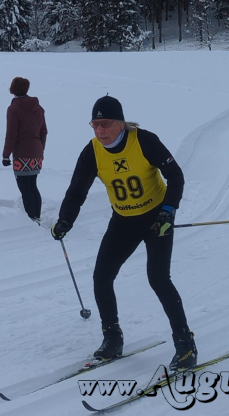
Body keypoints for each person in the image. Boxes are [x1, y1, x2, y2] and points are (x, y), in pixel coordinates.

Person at [50, 95, 196, 372]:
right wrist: (65, 220)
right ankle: (112, 338)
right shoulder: (92, 151)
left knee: (158, 279)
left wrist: (168, 211)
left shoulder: (144, 141)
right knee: (102, 277)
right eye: (94, 125)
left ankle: (185, 344)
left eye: (105, 124)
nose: (99, 130)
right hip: (124, 221)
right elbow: (77, 190)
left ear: (120, 123)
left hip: (157, 219)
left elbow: (175, 176)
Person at [1, 77, 47, 224]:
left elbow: (11, 134)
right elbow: (44, 132)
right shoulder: (39, 108)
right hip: (36, 152)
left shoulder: (13, 109)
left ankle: (31, 219)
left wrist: (6, 155)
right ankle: (37, 216)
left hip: (21, 154)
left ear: (12, 89)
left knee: (24, 188)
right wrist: (40, 149)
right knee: (32, 185)